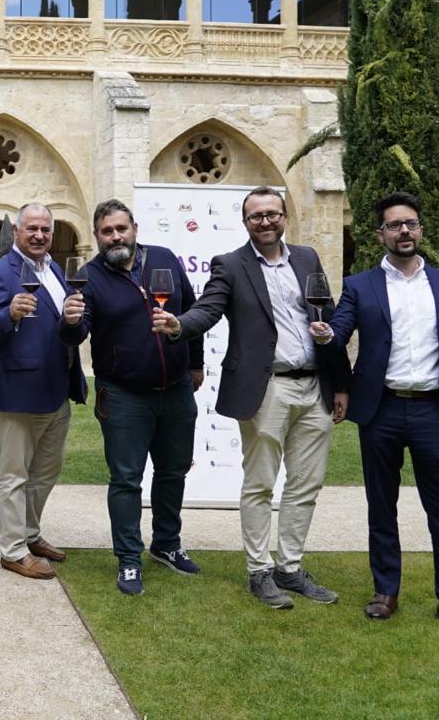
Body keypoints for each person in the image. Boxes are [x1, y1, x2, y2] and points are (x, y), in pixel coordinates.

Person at [152, 185, 350, 609]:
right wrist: (178, 326)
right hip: (267, 388)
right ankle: (259, 571)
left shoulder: (308, 258)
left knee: (305, 484)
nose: (266, 221)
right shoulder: (231, 264)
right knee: (260, 484)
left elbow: (328, 315)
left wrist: (341, 383)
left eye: (272, 214)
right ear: (245, 222)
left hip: (314, 385)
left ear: (284, 217)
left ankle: (290, 568)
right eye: (256, 215)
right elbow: (208, 309)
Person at [313, 191, 439, 637]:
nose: (404, 231)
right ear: (380, 235)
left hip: (435, 410)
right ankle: (385, 591)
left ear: (421, 230)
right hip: (382, 411)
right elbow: (340, 334)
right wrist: (324, 336)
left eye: (410, 223)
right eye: (395, 225)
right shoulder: (360, 284)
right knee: (382, 506)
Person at [60, 199, 204, 595]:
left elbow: (190, 312)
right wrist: (69, 322)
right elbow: (76, 333)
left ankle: (167, 545)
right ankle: (128, 559)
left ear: (135, 228)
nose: (115, 237)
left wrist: (195, 364)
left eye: (121, 228)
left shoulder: (164, 259)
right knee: (126, 480)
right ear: (96, 237)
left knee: (174, 472)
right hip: (123, 395)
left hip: (176, 389)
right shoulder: (89, 277)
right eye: (107, 232)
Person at [0, 204, 87, 580]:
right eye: (32, 229)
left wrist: (74, 320)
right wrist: (9, 313)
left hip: (58, 386)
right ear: (18, 232)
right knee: (14, 475)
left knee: (46, 472)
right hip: (20, 391)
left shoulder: (54, 269)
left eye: (45, 230)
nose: (39, 235)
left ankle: (29, 533)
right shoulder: (0, 273)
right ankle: (12, 551)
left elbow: (66, 328)